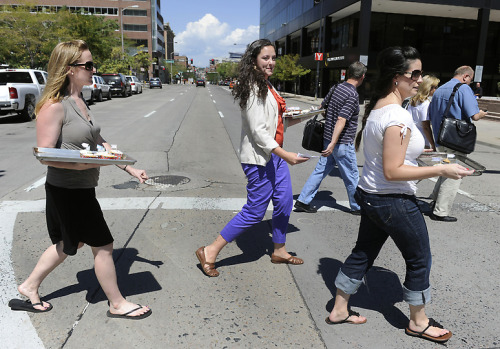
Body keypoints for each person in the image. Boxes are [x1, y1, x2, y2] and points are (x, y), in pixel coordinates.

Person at [326, 47, 474, 344]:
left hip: (371, 195)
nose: (419, 80)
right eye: (414, 74)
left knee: (363, 252)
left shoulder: (382, 107)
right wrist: (441, 172)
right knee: (419, 258)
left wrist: (431, 157)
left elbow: (392, 158)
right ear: (397, 78)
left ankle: (339, 309)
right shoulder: (397, 116)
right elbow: (393, 171)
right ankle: (418, 322)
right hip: (392, 199)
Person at [8, 40, 151, 319]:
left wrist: (128, 168)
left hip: (81, 187)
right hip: (67, 189)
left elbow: (98, 140)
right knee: (103, 246)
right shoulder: (54, 106)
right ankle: (117, 303)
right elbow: (46, 156)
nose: (93, 69)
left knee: (70, 244)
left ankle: (29, 286)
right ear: (70, 69)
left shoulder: (79, 101)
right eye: (88, 65)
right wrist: (87, 163)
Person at [195, 39, 309, 277]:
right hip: (260, 158)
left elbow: (275, 121)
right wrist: (285, 155)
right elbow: (258, 131)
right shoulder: (252, 87)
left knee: (285, 202)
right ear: (254, 61)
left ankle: (279, 249)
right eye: (265, 58)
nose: (271, 62)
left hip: (274, 155)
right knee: (255, 211)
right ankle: (210, 250)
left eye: (273, 58)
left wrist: (306, 115)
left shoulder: (268, 85)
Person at [294, 62, 367, 215]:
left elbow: (322, 108)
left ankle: (303, 200)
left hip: (328, 140)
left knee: (320, 171)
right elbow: (342, 119)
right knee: (352, 175)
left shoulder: (335, 88)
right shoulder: (352, 94)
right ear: (362, 76)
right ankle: (357, 207)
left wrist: (330, 138)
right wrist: (334, 142)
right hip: (341, 143)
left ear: (348, 73)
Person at [428, 66, 487, 222]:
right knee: (454, 174)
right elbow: (474, 116)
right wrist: (482, 113)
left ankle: (434, 202)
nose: (470, 83)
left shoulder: (440, 89)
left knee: (444, 170)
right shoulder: (463, 88)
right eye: (470, 80)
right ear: (466, 76)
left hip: (440, 137)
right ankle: (441, 211)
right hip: (455, 139)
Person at [407, 75, 440, 150]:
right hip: (422, 140)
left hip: (411, 137)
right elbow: (426, 126)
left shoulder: (413, 100)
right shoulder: (425, 103)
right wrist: (433, 145)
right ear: (429, 88)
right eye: (435, 87)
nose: (436, 90)